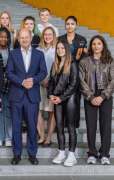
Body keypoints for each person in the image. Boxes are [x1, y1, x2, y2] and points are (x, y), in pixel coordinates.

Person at [5, 28, 47, 165]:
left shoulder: (39, 54)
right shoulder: (13, 53)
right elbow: (9, 73)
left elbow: (43, 72)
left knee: (31, 125)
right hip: (16, 93)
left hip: (32, 95)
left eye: (26, 37)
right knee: (16, 126)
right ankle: (16, 154)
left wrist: (33, 80)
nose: (24, 40)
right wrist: (22, 81)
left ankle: (32, 154)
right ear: (18, 39)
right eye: (21, 38)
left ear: (31, 37)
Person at [79, 35, 114, 165]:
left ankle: (104, 154)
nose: (96, 46)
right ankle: (92, 154)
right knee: (91, 125)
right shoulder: (84, 61)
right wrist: (91, 97)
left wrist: (103, 96)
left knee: (105, 126)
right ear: (91, 46)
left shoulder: (110, 61)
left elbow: (113, 80)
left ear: (103, 45)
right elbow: (81, 81)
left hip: (105, 95)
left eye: (99, 44)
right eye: (94, 44)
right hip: (90, 95)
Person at [48, 39, 79, 167]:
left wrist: (61, 97)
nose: (60, 50)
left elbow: (73, 85)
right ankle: (61, 153)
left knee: (70, 127)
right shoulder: (55, 64)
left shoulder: (72, 64)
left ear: (67, 49)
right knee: (59, 126)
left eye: (62, 48)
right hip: (57, 99)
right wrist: (51, 94)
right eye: (58, 48)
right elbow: (51, 82)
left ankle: (71, 155)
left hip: (69, 99)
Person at [58, 16, 87, 130]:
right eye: (68, 24)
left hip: (76, 73)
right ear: (65, 25)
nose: (70, 26)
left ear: (76, 25)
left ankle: (74, 124)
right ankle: (63, 124)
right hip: (62, 73)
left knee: (75, 99)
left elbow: (84, 59)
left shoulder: (82, 39)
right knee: (62, 97)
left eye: (72, 24)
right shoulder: (60, 38)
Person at [36, 27, 57, 147]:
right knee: (38, 111)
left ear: (53, 36)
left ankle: (48, 137)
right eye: (45, 34)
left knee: (51, 112)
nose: (48, 36)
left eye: (50, 34)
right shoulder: (38, 50)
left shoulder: (57, 50)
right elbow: (33, 67)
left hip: (52, 84)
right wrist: (40, 79)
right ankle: (41, 136)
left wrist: (50, 80)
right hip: (39, 83)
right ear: (42, 36)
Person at [0, 27, 12, 147]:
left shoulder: (12, 51)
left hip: (10, 85)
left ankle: (9, 137)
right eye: (1, 36)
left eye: (6, 37)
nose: (3, 39)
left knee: (8, 111)